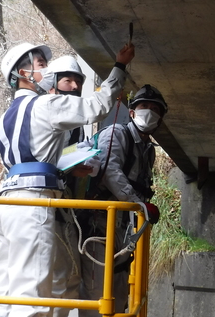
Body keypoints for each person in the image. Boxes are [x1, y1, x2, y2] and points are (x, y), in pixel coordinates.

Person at [0, 42, 134, 317]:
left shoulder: (2, 121)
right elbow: (98, 105)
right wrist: (120, 66)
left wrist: (63, 170)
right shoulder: (45, 104)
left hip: (6, 204)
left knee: (6, 293)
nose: (48, 70)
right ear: (24, 72)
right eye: (42, 65)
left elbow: (29, 160)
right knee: (33, 296)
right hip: (35, 205)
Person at [78, 85, 168, 317]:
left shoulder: (148, 149)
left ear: (160, 119)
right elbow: (111, 173)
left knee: (119, 296)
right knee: (98, 294)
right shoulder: (116, 133)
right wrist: (139, 205)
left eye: (155, 109)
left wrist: (140, 207)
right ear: (132, 112)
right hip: (99, 227)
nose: (149, 112)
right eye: (144, 106)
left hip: (124, 229)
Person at [47, 55, 89, 317]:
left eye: (77, 81)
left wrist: (75, 168)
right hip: (41, 205)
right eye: (67, 80)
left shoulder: (76, 126)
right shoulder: (41, 115)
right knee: (46, 278)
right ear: (52, 85)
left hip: (65, 206)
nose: (73, 86)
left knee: (69, 276)